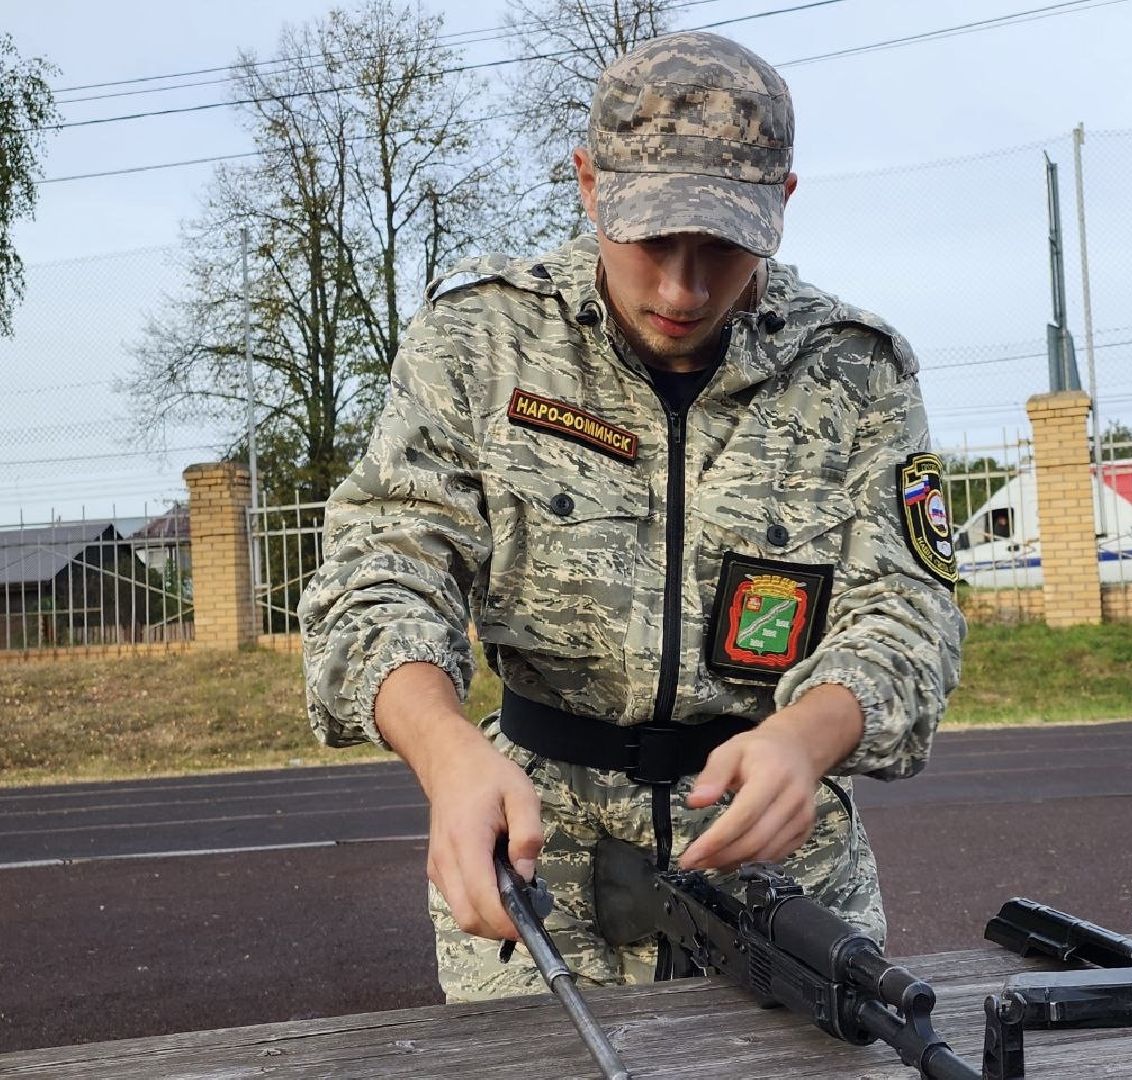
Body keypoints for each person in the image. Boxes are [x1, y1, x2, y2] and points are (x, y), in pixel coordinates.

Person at [299, 30, 965, 1003]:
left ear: (781, 203)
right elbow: (379, 567)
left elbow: (911, 612)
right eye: (653, 239)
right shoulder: (482, 343)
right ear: (587, 184)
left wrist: (809, 737)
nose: (683, 290)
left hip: (781, 894)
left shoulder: (857, 371)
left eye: (724, 245)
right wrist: (446, 754)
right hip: (535, 894)